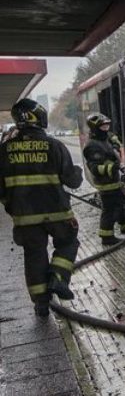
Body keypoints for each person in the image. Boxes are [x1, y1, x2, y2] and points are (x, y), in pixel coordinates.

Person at [0, 99, 83, 317]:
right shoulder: (54, 146)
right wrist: (77, 172)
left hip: (24, 217)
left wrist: (10, 205)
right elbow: (72, 180)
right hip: (57, 213)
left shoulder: (4, 150)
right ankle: (58, 277)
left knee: (34, 255)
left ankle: (41, 304)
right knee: (68, 242)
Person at [83, 113, 125, 245]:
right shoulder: (92, 146)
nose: (106, 128)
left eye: (107, 126)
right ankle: (107, 237)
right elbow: (95, 168)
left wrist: (116, 148)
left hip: (115, 181)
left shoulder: (105, 140)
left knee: (122, 205)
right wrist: (113, 167)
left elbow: (114, 145)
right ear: (95, 128)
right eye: (103, 126)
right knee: (110, 211)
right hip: (106, 185)